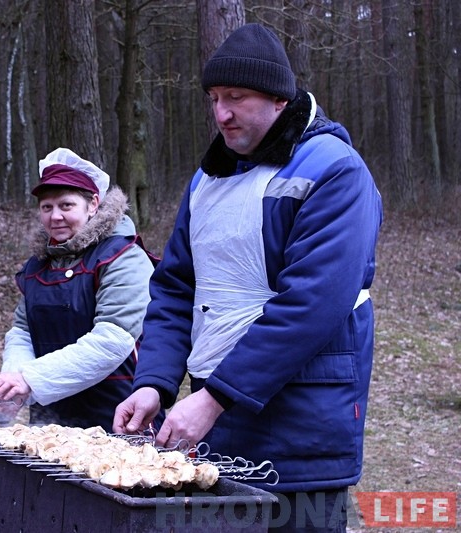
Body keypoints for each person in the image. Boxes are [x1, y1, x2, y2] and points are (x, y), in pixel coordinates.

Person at [113, 23, 382, 532]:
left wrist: (214, 398)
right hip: (215, 421)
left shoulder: (335, 171)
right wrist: (155, 383)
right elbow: (175, 288)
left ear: (279, 99)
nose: (221, 113)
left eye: (236, 97)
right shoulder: (208, 179)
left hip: (301, 426)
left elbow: (311, 304)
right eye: (214, 98)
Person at [0, 147, 163, 431]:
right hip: (50, 424)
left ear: (93, 204)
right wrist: (13, 381)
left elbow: (112, 340)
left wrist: (29, 379)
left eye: (66, 205)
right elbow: (22, 332)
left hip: (120, 416)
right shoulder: (39, 265)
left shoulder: (124, 257)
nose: (55, 216)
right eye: (47, 207)